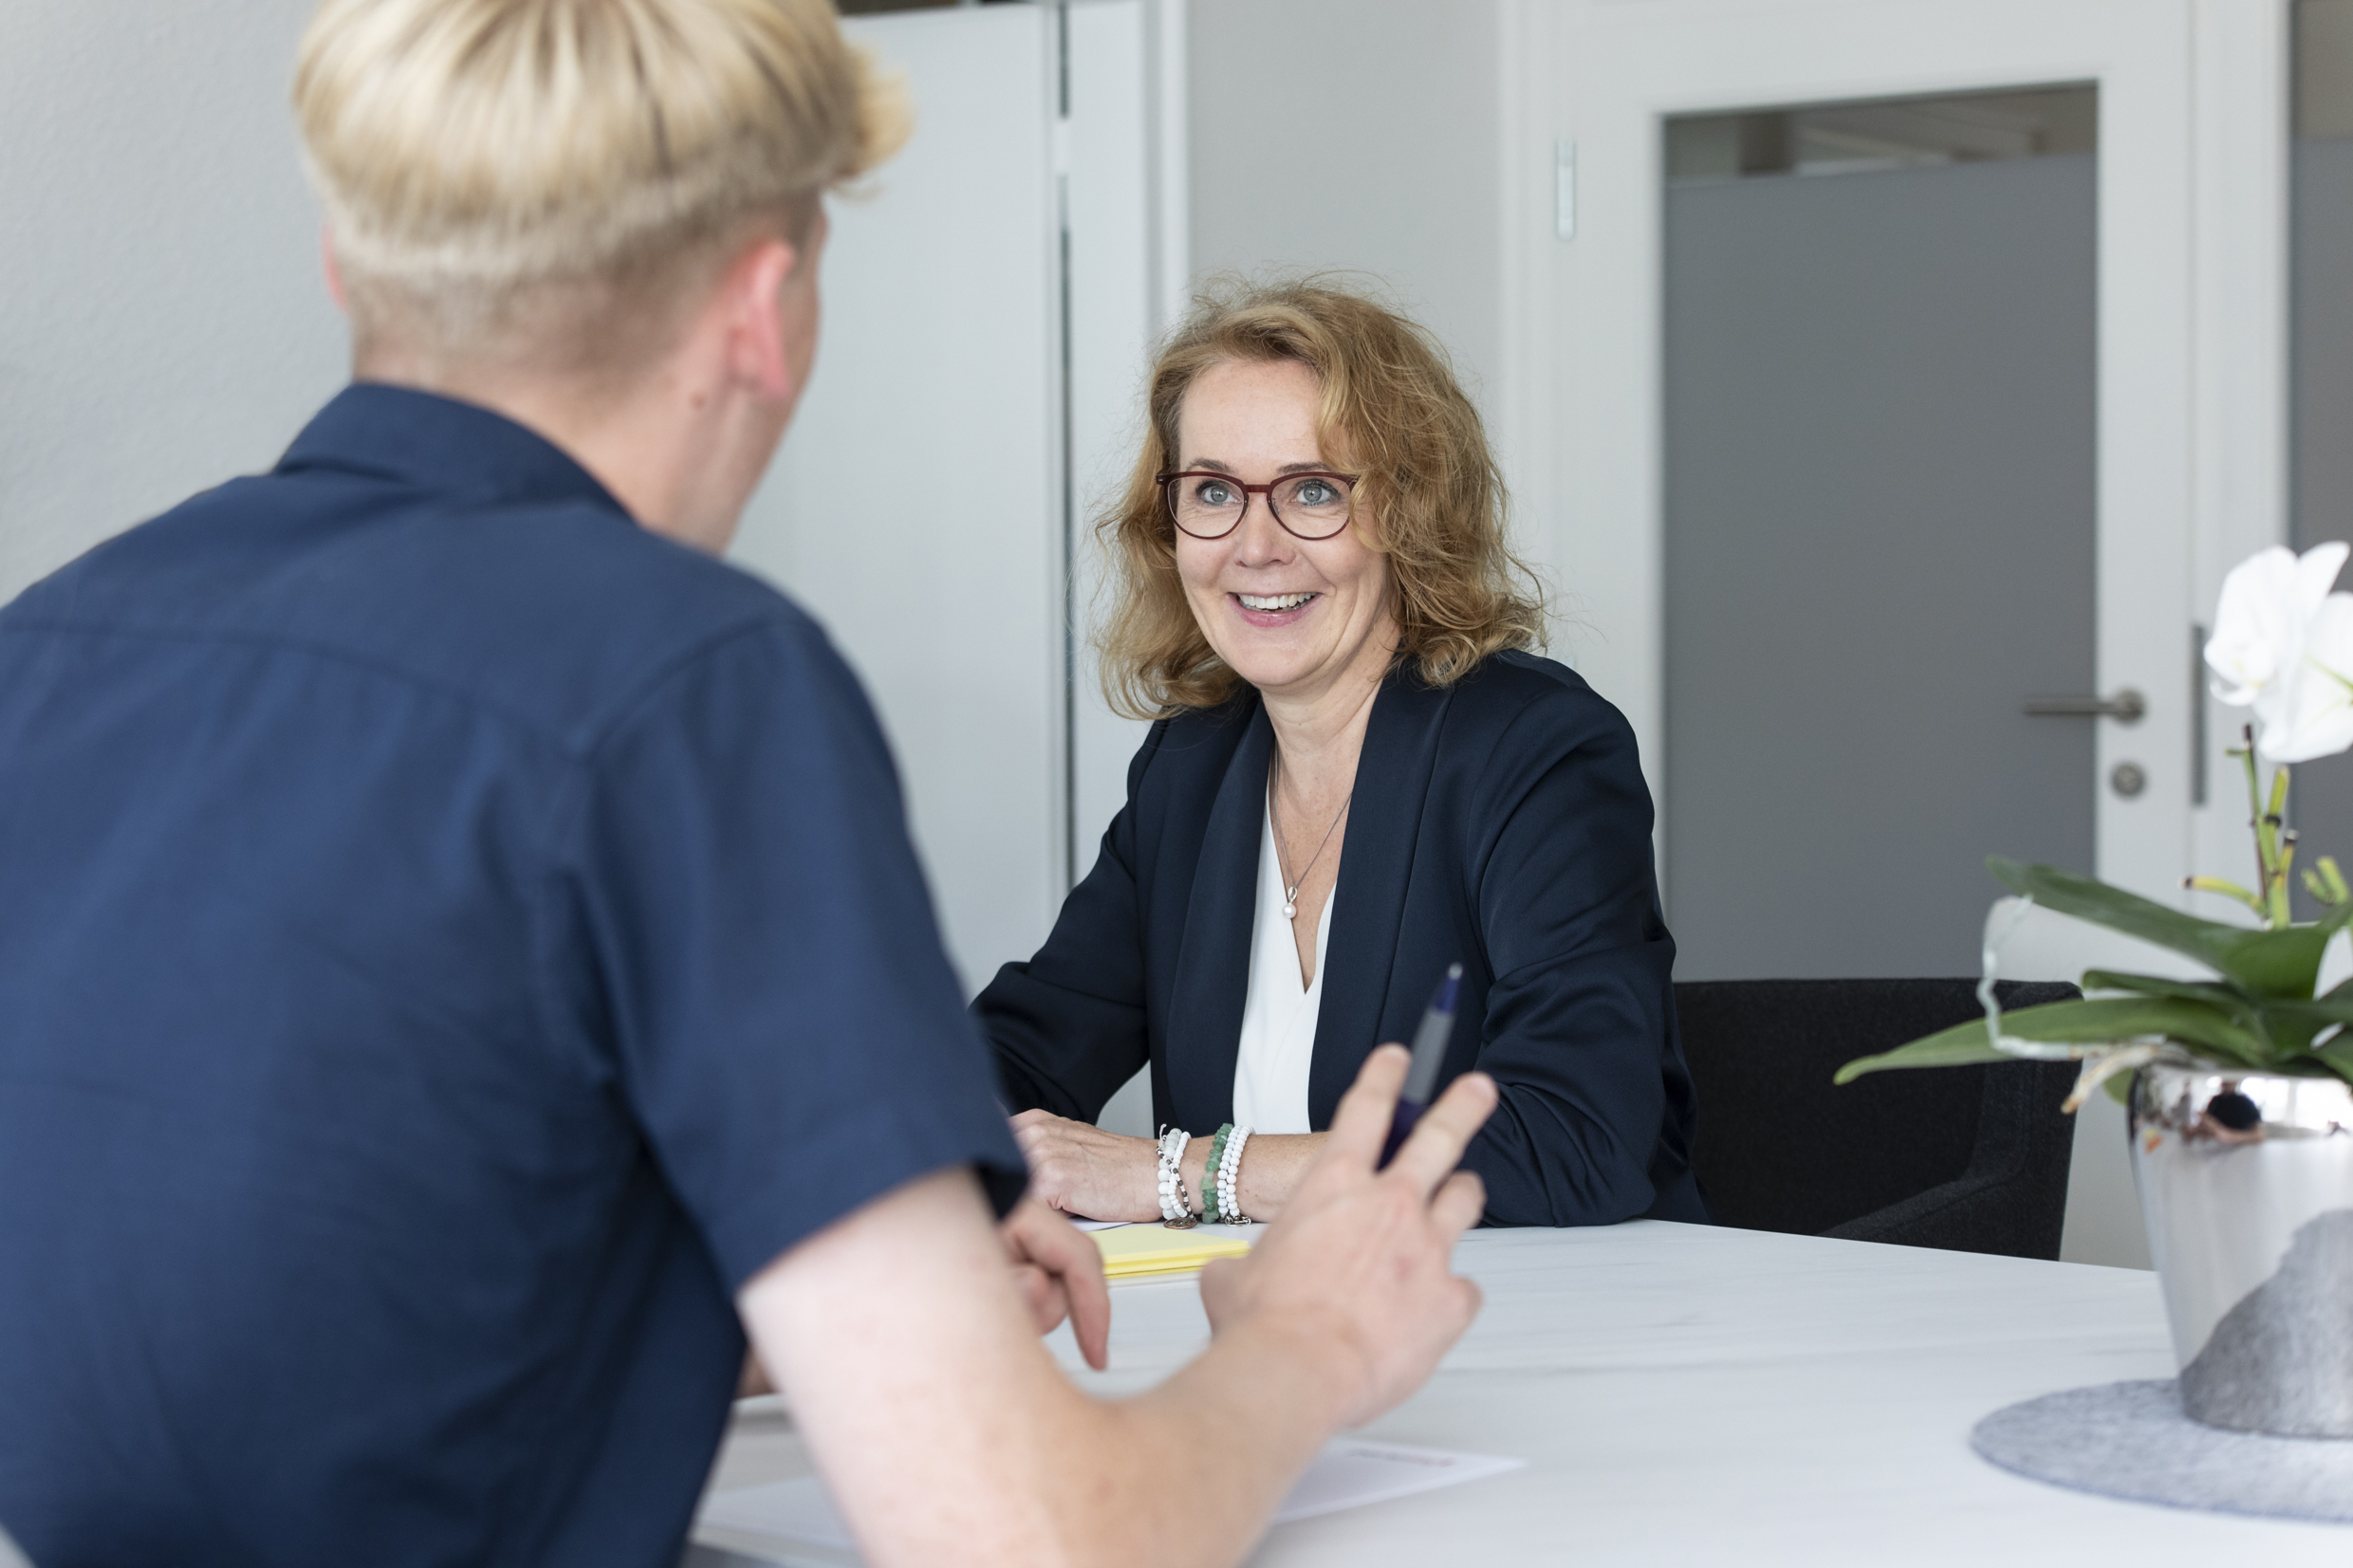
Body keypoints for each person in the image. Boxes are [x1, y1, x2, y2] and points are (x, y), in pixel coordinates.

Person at [0, 4, 1499, 1565]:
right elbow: (1038, 1537)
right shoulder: (688, 682)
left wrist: (803, 1310)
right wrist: (1314, 1334)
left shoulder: (46, 649)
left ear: (344, 264)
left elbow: (289, 1312)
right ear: (765, 312)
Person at [981, 283, 1702, 1229]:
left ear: (1407, 513)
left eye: (1312, 491)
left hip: (1543, 1332)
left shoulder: (1533, 752)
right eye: (1211, 492)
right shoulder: (1189, 769)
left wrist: (1187, 1174)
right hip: (1273, 1331)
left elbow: (1571, 1137)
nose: (1255, 545)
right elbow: (1023, 1050)